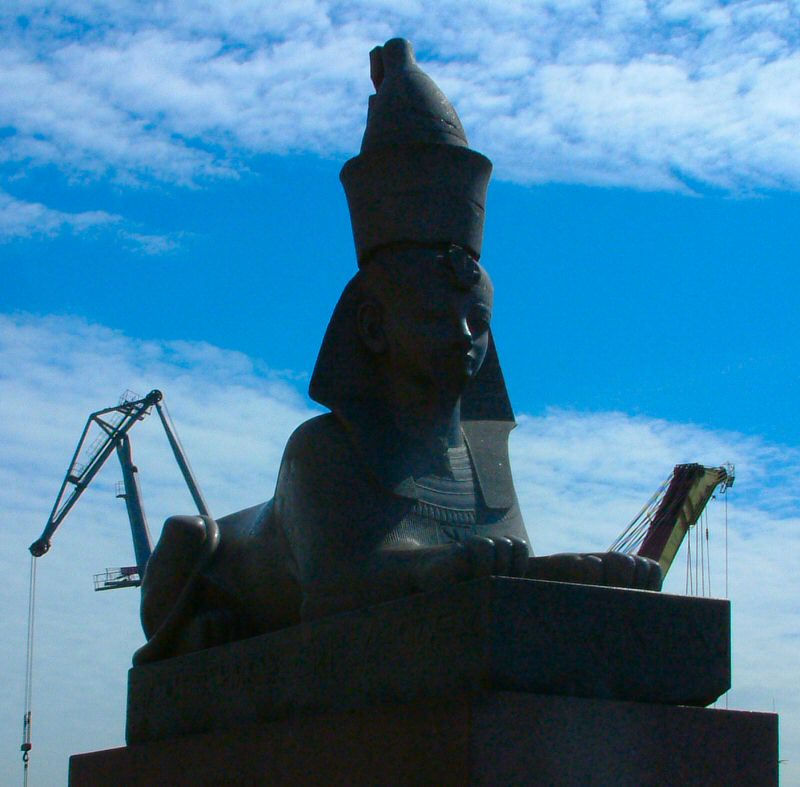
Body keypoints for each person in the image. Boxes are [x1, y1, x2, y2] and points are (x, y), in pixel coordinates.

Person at [135, 39, 660, 664]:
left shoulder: (480, 463)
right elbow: (335, 585)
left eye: (478, 322)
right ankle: (183, 632)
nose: (464, 338)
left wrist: (573, 571)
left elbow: (500, 566)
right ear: (373, 327)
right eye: (434, 318)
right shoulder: (321, 450)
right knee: (190, 536)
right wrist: (434, 567)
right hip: (222, 572)